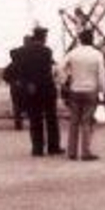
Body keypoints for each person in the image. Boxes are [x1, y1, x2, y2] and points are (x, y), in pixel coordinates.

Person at [60, 28, 105, 162]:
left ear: (80, 40)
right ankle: (85, 152)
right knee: (87, 122)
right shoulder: (97, 55)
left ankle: (72, 152)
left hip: (75, 90)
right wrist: (102, 91)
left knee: (74, 122)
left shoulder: (73, 53)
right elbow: (101, 75)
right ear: (92, 39)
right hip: (90, 91)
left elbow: (59, 67)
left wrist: (65, 80)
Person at [20, 26, 61, 157]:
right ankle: (53, 147)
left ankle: (37, 148)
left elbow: (23, 70)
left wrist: (28, 84)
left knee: (35, 119)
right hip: (47, 89)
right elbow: (47, 71)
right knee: (51, 119)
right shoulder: (47, 51)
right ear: (43, 37)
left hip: (32, 90)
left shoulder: (25, 51)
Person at [2, 34, 34, 132]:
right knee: (31, 104)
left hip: (17, 85)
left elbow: (6, 75)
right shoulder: (33, 55)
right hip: (27, 85)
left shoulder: (15, 60)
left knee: (17, 106)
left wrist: (12, 82)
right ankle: (31, 124)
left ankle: (18, 124)